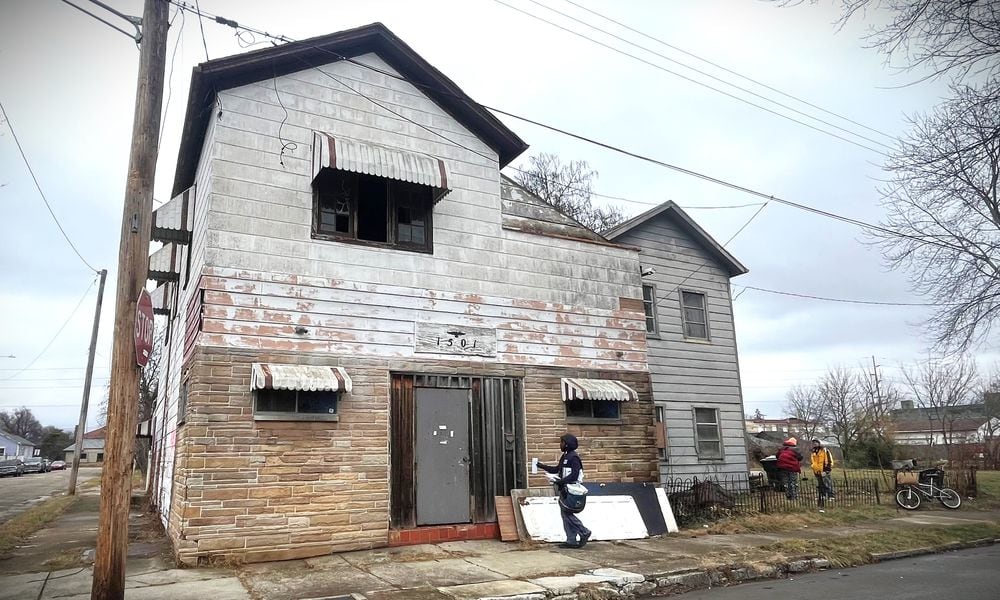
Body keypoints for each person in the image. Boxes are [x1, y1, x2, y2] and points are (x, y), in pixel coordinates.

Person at [537, 433, 592, 549]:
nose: (560, 444)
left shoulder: (574, 457)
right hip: (564, 489)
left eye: (562, 442)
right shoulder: (565, 456)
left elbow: (574, 475)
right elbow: (557, 469)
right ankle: (571, 540)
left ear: (567, 444)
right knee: (565, 513)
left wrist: (560, 481)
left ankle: (583, 531)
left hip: (571, 490)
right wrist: (541, 466)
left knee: (567, 513)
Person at [810, 438, 836, 509]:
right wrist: (813, 467)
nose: (815, 444)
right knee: (820, 484)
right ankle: (823, 495)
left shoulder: (825, 450)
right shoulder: (813, 451)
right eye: (814, 442)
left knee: (827, 483)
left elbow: (829, 461)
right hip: (817, 471)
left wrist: (827, 470)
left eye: (816, 442)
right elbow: (813, 461)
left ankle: (831, 496)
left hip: (824, 470)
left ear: (819, 443)